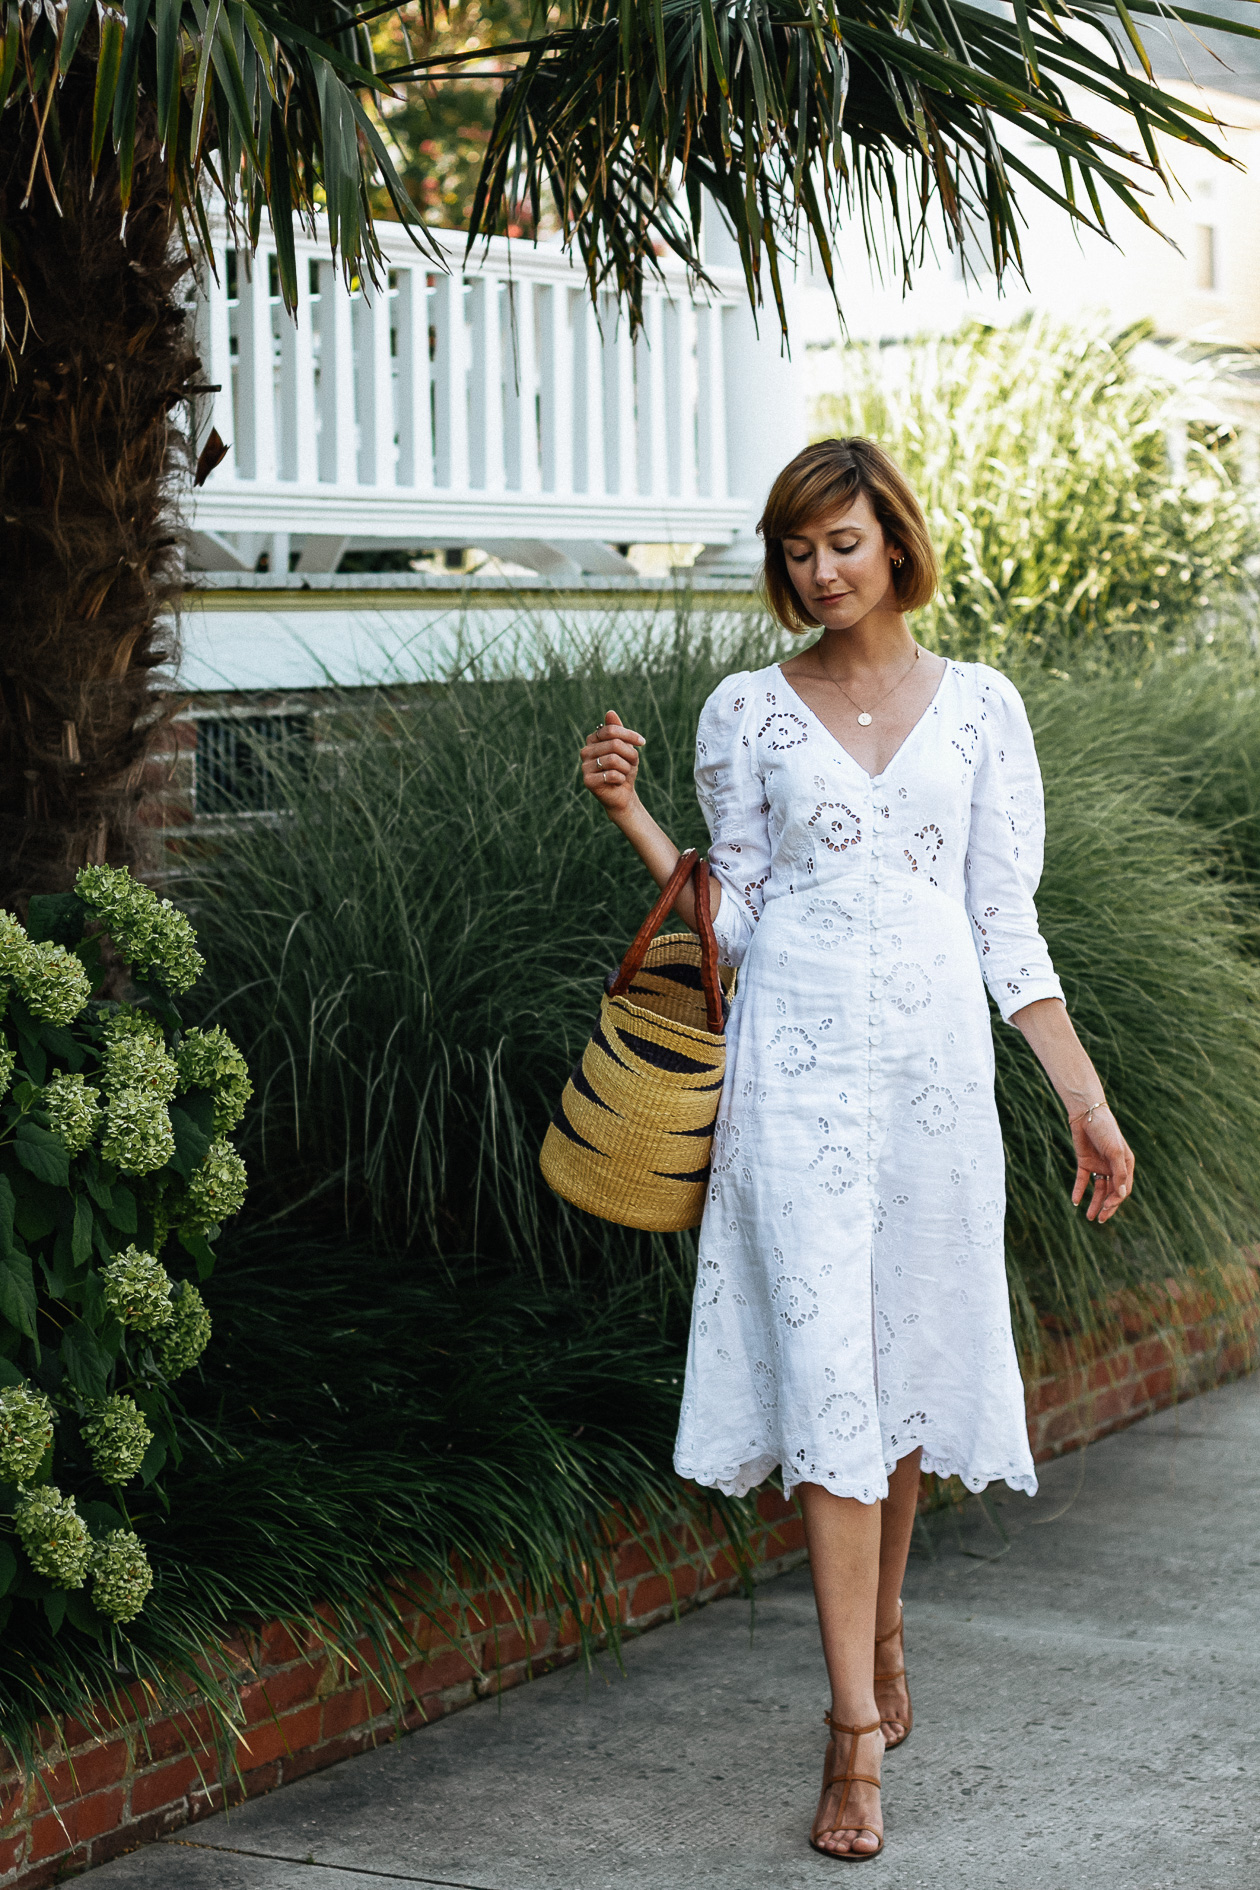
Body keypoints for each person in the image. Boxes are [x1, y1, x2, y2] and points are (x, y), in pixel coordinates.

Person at [578, 437, 1134, 1862]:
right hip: (798, 1089)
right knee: (830, 1388)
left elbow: (1008, 928)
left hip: (938, 1092)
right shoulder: (748, 714)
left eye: (842, 542)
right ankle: (850, 1738)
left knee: (895, 1387)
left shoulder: (984, 710)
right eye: (797, 552)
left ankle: (885, 1627)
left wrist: (1082, 1094)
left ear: (894, 540)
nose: (819, 572)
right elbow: (738, 922)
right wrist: (636, 816)